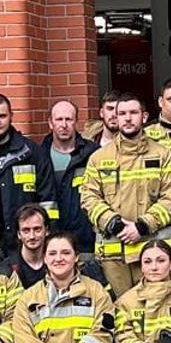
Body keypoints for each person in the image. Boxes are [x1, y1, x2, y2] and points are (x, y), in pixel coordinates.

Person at [81, 93, 171, 297]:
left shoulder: (163, 155)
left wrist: (142, 226)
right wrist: (114, 223)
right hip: (113, 254)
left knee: (157, 308)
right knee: (118, 310)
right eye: (122, 114)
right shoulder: (98, 158)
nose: (128, 118)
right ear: (115, 118)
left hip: (152, 250)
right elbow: (88, 197)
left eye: (133, 113)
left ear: (144, 117)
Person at [0, 93, 56, 246]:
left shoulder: (32, 153)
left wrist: (50, 240)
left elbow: (48, 201)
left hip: (26, 243)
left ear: (11, 116)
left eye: (2, 116)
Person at [0, 203, 107, 288]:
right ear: (18, 234)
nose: (32, 236)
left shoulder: (61, 262)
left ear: (47, 230)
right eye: (26, 230)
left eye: (37, 229)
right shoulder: (7, 269)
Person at [42, 99, 100, 251]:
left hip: (86, 241)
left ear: (76, 122)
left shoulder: (93, 154)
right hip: (51, 242)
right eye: (59, 119)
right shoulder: (39, 156)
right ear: (50, 123)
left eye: (69, 119)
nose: (64, 124)